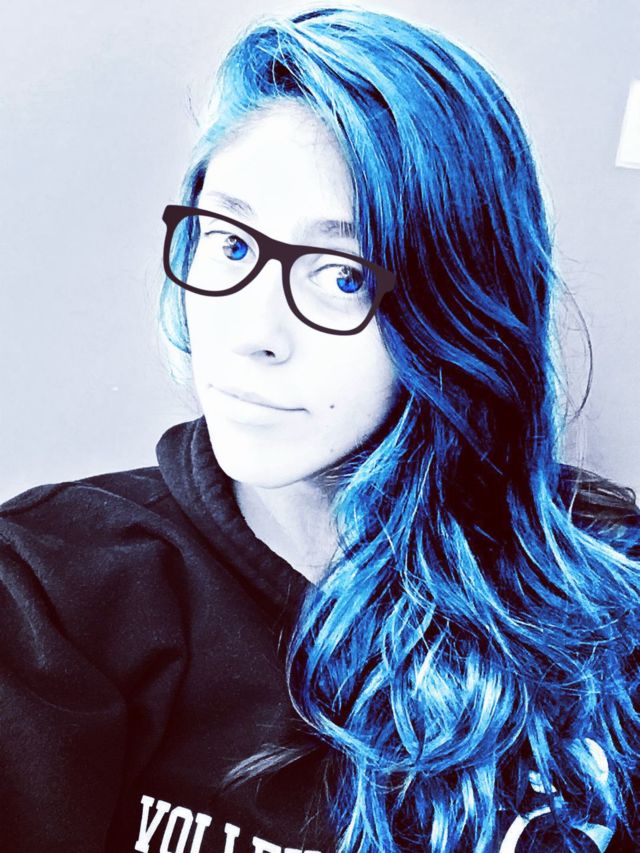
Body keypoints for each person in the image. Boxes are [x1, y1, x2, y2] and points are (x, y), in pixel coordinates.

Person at [1, 5, 639, 852]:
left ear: (454, 310)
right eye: (230, 243)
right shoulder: (50, 590)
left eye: (341, 275)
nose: (254, 331)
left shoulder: (607, 595)